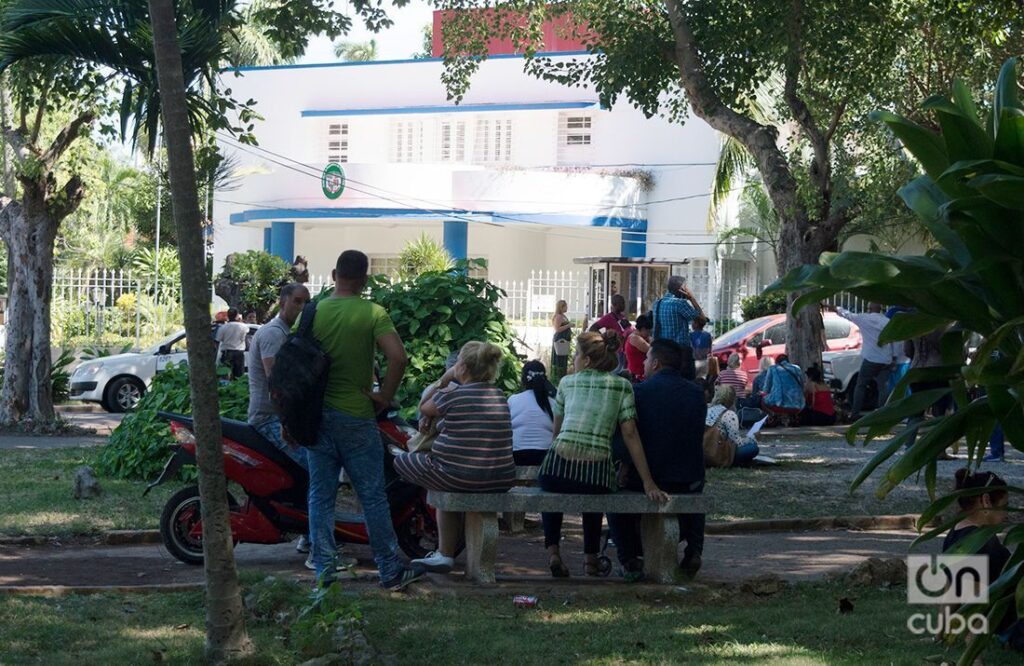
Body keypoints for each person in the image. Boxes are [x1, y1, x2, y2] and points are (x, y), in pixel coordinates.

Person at [302, 250, 422, 590]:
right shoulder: (372, 313)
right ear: (364, 280)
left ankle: (324, 572)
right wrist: (383, 397)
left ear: (333, 274)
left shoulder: (313, 312)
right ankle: (389, 570)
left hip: (316, 419)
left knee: (320, 496)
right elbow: (398, 357)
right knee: (372, 496)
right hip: (356, 415)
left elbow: (293, 365)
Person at [538, 331, 668, 578]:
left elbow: (556, 434)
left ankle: (554, 552)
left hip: (556, 470)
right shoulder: (622, 386)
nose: (573, 359)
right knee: (594, 485)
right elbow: (630, 435)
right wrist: (648, 482)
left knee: (551, 488)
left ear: (586, 360)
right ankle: (590, 560)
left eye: (576, 354)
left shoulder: (566, 383)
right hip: (596, 475)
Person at [394, 341, 515, 574]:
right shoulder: (499, 396)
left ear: (462, 367)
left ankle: (444, 553)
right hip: (499, 478)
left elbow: (423, 406)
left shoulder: (451, 395)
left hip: (459, 476)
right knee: (443, 475)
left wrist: (446, 378)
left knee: (401, 460)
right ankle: (444, 554)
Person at [247, 283, 341, 569]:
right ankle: (318, 550)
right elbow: (279, 387)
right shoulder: (274, 335)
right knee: (320, 472)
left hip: (279, 418)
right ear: (283, 302)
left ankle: (306, 536)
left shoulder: (287, 334)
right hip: (269, 419)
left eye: (306, 302)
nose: (302, 307)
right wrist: (287, 424)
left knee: (311, 474)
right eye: (297, 301)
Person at [608, 339, 707, 580]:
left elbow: (626, 438)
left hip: (648, 479)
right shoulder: (696, 394)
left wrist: (625, 467)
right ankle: (694, 550)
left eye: (647, 358)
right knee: (697, 492)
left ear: (656, 363)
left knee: (613, 502)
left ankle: (629, 558)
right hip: (688, 478)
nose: (643, 362)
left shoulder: (638, 393)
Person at [944, 469, 1023, 649]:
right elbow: (974, 606)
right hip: (1016, 628)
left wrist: (940, 633)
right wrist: (973, 659)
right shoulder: (980, 546)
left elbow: (951, 589)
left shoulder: (955, 535)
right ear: (986, 501)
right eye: (1004, 506)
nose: (1006, 514)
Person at [833, 304, 897, 420]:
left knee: (861, 385)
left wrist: (835, 308)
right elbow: (893, 340)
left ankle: (855, 413)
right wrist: (894, 357)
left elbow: (848, 315)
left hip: (870, 359)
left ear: (869, 309)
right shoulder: (887, 322)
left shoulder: (864, 319)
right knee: (883, 387)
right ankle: (882, 413)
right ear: (880, 309)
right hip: (885, 359)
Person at [651, 275, 706, 378]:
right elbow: (702, 319)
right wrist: (692, 298)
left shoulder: (657, 304)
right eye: (686, 287)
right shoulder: (680, 303)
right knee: (686, 382)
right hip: (681, 352)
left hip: (663, 351)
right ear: (681, 289)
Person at [507, 360, 556, 466]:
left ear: (523, 379)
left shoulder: (512, 400)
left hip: (517, 455)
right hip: (547, 457)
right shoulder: (553, 403)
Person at [706, 385, 759, 466]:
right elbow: (736, 443)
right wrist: (752, 438)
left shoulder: (707, 409)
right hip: (718, 452)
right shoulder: (728, 414)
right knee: (753, 448)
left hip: (704, 451)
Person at [761, 354, 806, 419]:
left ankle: (773, 417)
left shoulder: (773, 368)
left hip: (779, 403)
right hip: (799, 404)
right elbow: (802, 386)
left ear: (776, 362)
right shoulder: (797, 368)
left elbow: (766, 389)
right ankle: (793, 417)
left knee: (762, 399)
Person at [216, 308, 248, 380]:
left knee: (225, 376)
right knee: (239, 376)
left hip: (227, 354)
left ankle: (226, 389)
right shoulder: (244, 327)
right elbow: (245, 337)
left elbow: (217, 341)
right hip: (239, 353)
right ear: (237, 316)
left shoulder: (223, 328)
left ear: (228, 316)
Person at [625, 314, 653, 382]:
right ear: (643, 329)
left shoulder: (641, 337)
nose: (649, 333)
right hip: (636, 375)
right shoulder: (635, 338)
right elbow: (652, 350)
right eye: (648, 331)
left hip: (640, 374)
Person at [551, 300, 572, 381]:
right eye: (565, 306)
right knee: (559, 357)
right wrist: (568, 325)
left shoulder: (563, 315)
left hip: (565, 338)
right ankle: (557, 376)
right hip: (560, 338)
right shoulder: (558, 316)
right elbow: (557, 329)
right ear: (561, 307)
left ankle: (563, 374)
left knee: (563, 357)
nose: (567, 308)